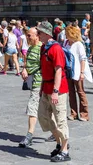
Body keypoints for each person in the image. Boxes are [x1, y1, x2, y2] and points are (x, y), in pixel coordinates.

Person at [37, 21, 70, 162]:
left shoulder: (55, 49)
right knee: (43, 116)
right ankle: (59, 141)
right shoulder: (44, 47)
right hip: (46, 88)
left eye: (39, 33)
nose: (37, 35)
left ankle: (65, 150)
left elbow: (58, 71)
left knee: (60, 120)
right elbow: (44, 70)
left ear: (46, 33)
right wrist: (42, 88)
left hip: (58, 90)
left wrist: (55, 91)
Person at [19, 27, 42, 148]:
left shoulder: (41, 48)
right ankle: (57, 133)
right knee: (45, 110)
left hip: (40, 82)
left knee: (32, 107)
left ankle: (29, 135)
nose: (27, 38)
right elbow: (26, 62)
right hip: (32, 82)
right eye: (27, 35)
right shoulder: (30, 48)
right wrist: (24, 69)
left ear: (37, 35)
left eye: (30, 36)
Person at [65, 25, 92, 121]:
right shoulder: (66, 43)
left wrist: (82, 72)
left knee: (80, 92)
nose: (65, 35)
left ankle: (84, 114)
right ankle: (73, 113)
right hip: (68, 71)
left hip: (77, 71)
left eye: (67, 34)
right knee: (71, 93)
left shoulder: (79, 44)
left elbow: (83, 59)